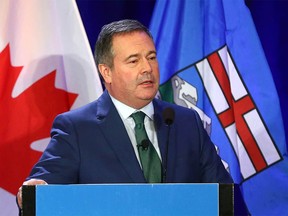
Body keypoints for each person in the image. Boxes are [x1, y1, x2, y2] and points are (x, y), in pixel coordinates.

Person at [17, 19, 233, 209]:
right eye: (133, 60)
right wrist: (34, 191)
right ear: (106, 72)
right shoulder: (77, 129)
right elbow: (43, 186)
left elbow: (221, 195)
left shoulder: (186, 122)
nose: (147, 68)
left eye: (151, 57)